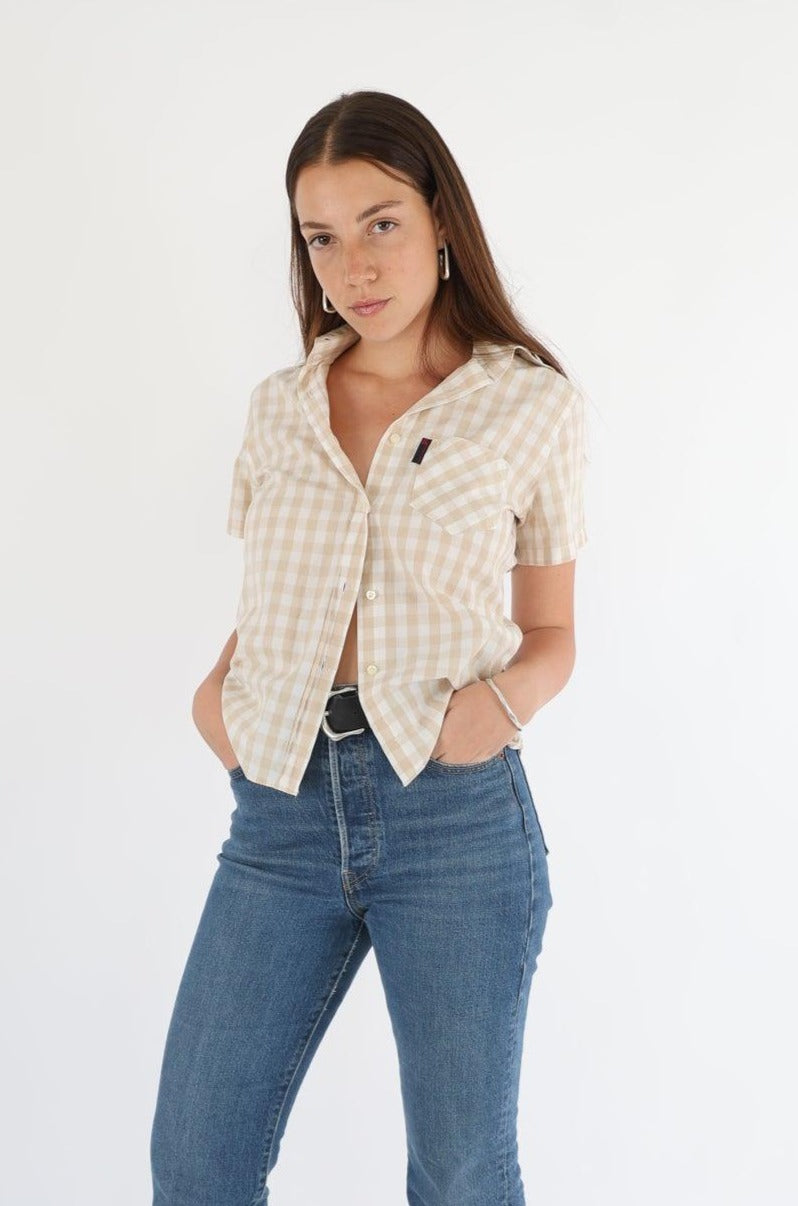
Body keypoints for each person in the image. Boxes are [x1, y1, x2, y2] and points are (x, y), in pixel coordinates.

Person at [150, 89, 589, 1205]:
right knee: (197, 1160)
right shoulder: (280, 407)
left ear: (441, 218)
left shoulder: (529, 406)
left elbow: (553, 634)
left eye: (381, 223)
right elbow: (281, 598)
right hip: (279, 814)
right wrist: (218, 700)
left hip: (455, 821)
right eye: (323, 238)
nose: (355, 266)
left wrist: (493, 711)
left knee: (460, 1174)